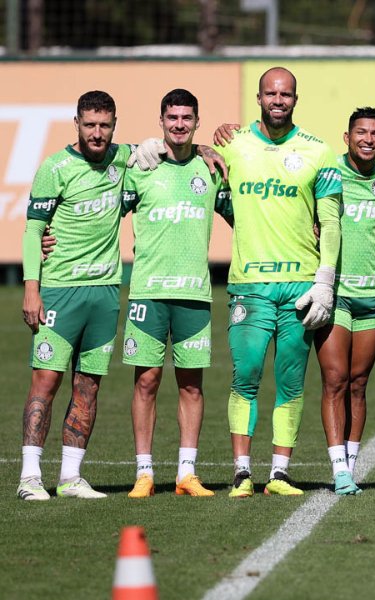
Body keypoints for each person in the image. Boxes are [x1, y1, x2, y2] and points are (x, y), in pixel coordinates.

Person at [216, 67, 343, 498]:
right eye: (271, 93)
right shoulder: (232, 145)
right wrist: (202, 145)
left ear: (295, 99)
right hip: (249, 284)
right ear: (258, 98)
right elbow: (197, 171)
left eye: (285, 94)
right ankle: (241, 472)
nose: (278, 100)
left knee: (291, 381)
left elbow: (330, 222)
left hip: (300, 287)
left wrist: (325, 281)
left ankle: (280, 473)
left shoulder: (318, 151)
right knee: (246, 375)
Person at [17, 91, 130, 500]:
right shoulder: (55, 168)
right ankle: (30, 477)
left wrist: (205, 148)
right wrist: (32, 289)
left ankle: (70, 477)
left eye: (105, 125)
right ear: (77, 124)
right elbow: (33, 230)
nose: (97, 133)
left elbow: (169, 148)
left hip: (105, 293)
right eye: (90, 125)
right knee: (46, 381)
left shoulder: (124, 159)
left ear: (114, 125)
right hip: (60, 291)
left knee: (88, 387)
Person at [122, 89, 232, 499]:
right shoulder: (141, 167)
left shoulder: (212, 170)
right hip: (148, 292)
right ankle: (144, 473)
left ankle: (187, 473)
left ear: (197, 122)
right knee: (146, 382)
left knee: (191, 386)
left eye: (187, 118)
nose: (179, 124)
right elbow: (104, 207)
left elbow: (245, 216)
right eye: (172, 118)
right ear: (161, 121)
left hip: (194, 294)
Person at [316, 107, 375, 495]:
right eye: (361, 132)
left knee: (359, 384)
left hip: (373, 296)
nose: (368, 139)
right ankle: (338, 470)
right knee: (336, 380)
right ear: (347, 138)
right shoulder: (329, 173)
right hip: (337, 294)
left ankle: (351, 463)